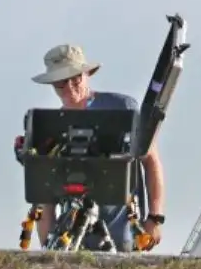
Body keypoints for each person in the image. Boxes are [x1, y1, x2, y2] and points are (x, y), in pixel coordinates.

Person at [30, 43, 165, 250]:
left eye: (76, 78)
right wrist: (48, 249)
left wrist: (155, 218)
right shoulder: (52, 128)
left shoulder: (123, 108)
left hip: (124, 235)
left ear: (87, 75)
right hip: (72, 241)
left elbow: (151, 162)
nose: (70, 86)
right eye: (61, 83)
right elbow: (45, 199)